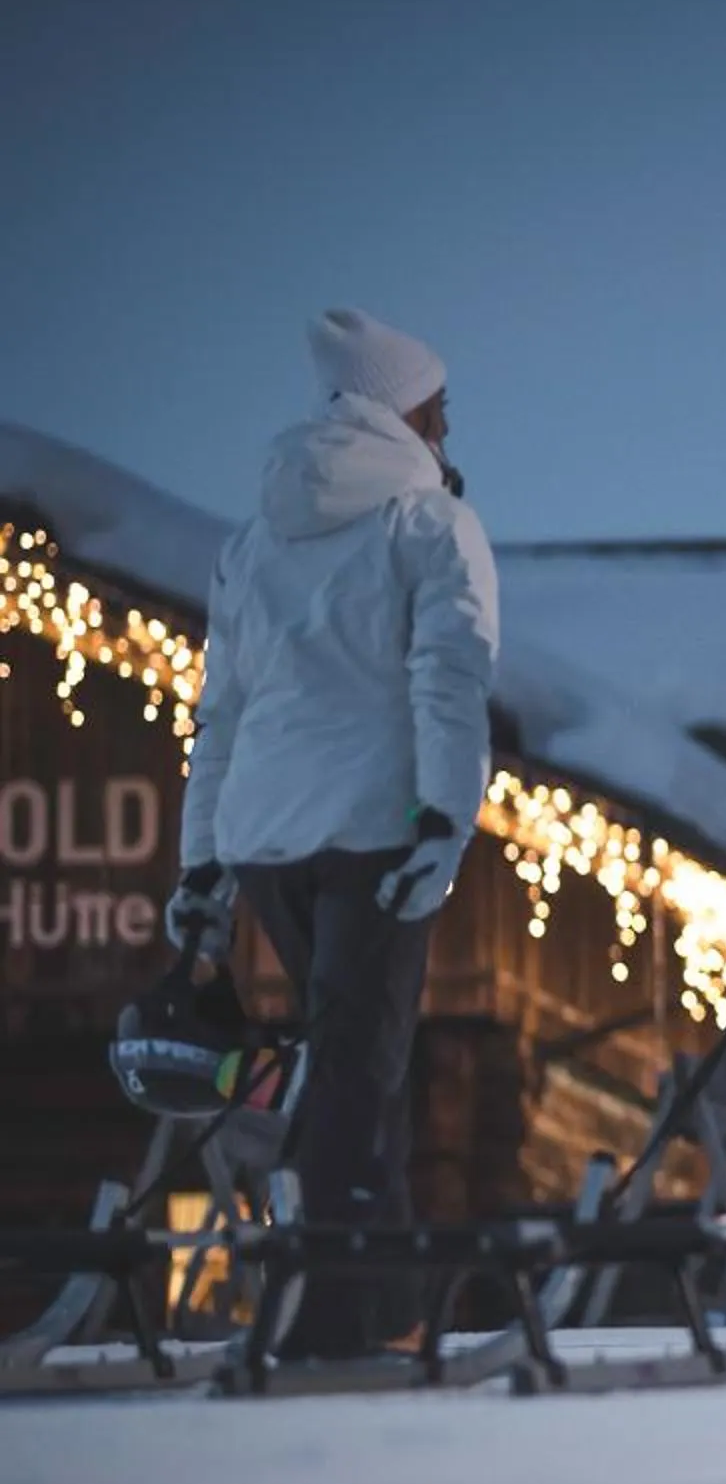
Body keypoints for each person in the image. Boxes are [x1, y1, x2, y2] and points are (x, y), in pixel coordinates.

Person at [164, 308, 500, 1360]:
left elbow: (221, 712)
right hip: (375, 832)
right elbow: (450, 678)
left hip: (266, 837)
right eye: (440, 413)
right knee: (360, 1067)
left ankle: (373, 1306)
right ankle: (335, 1309)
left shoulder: (255, 538)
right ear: (411, 411)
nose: (447, 436)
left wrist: (204, 864)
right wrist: (447, 817)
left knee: (343, 1059)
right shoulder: (427, 527)